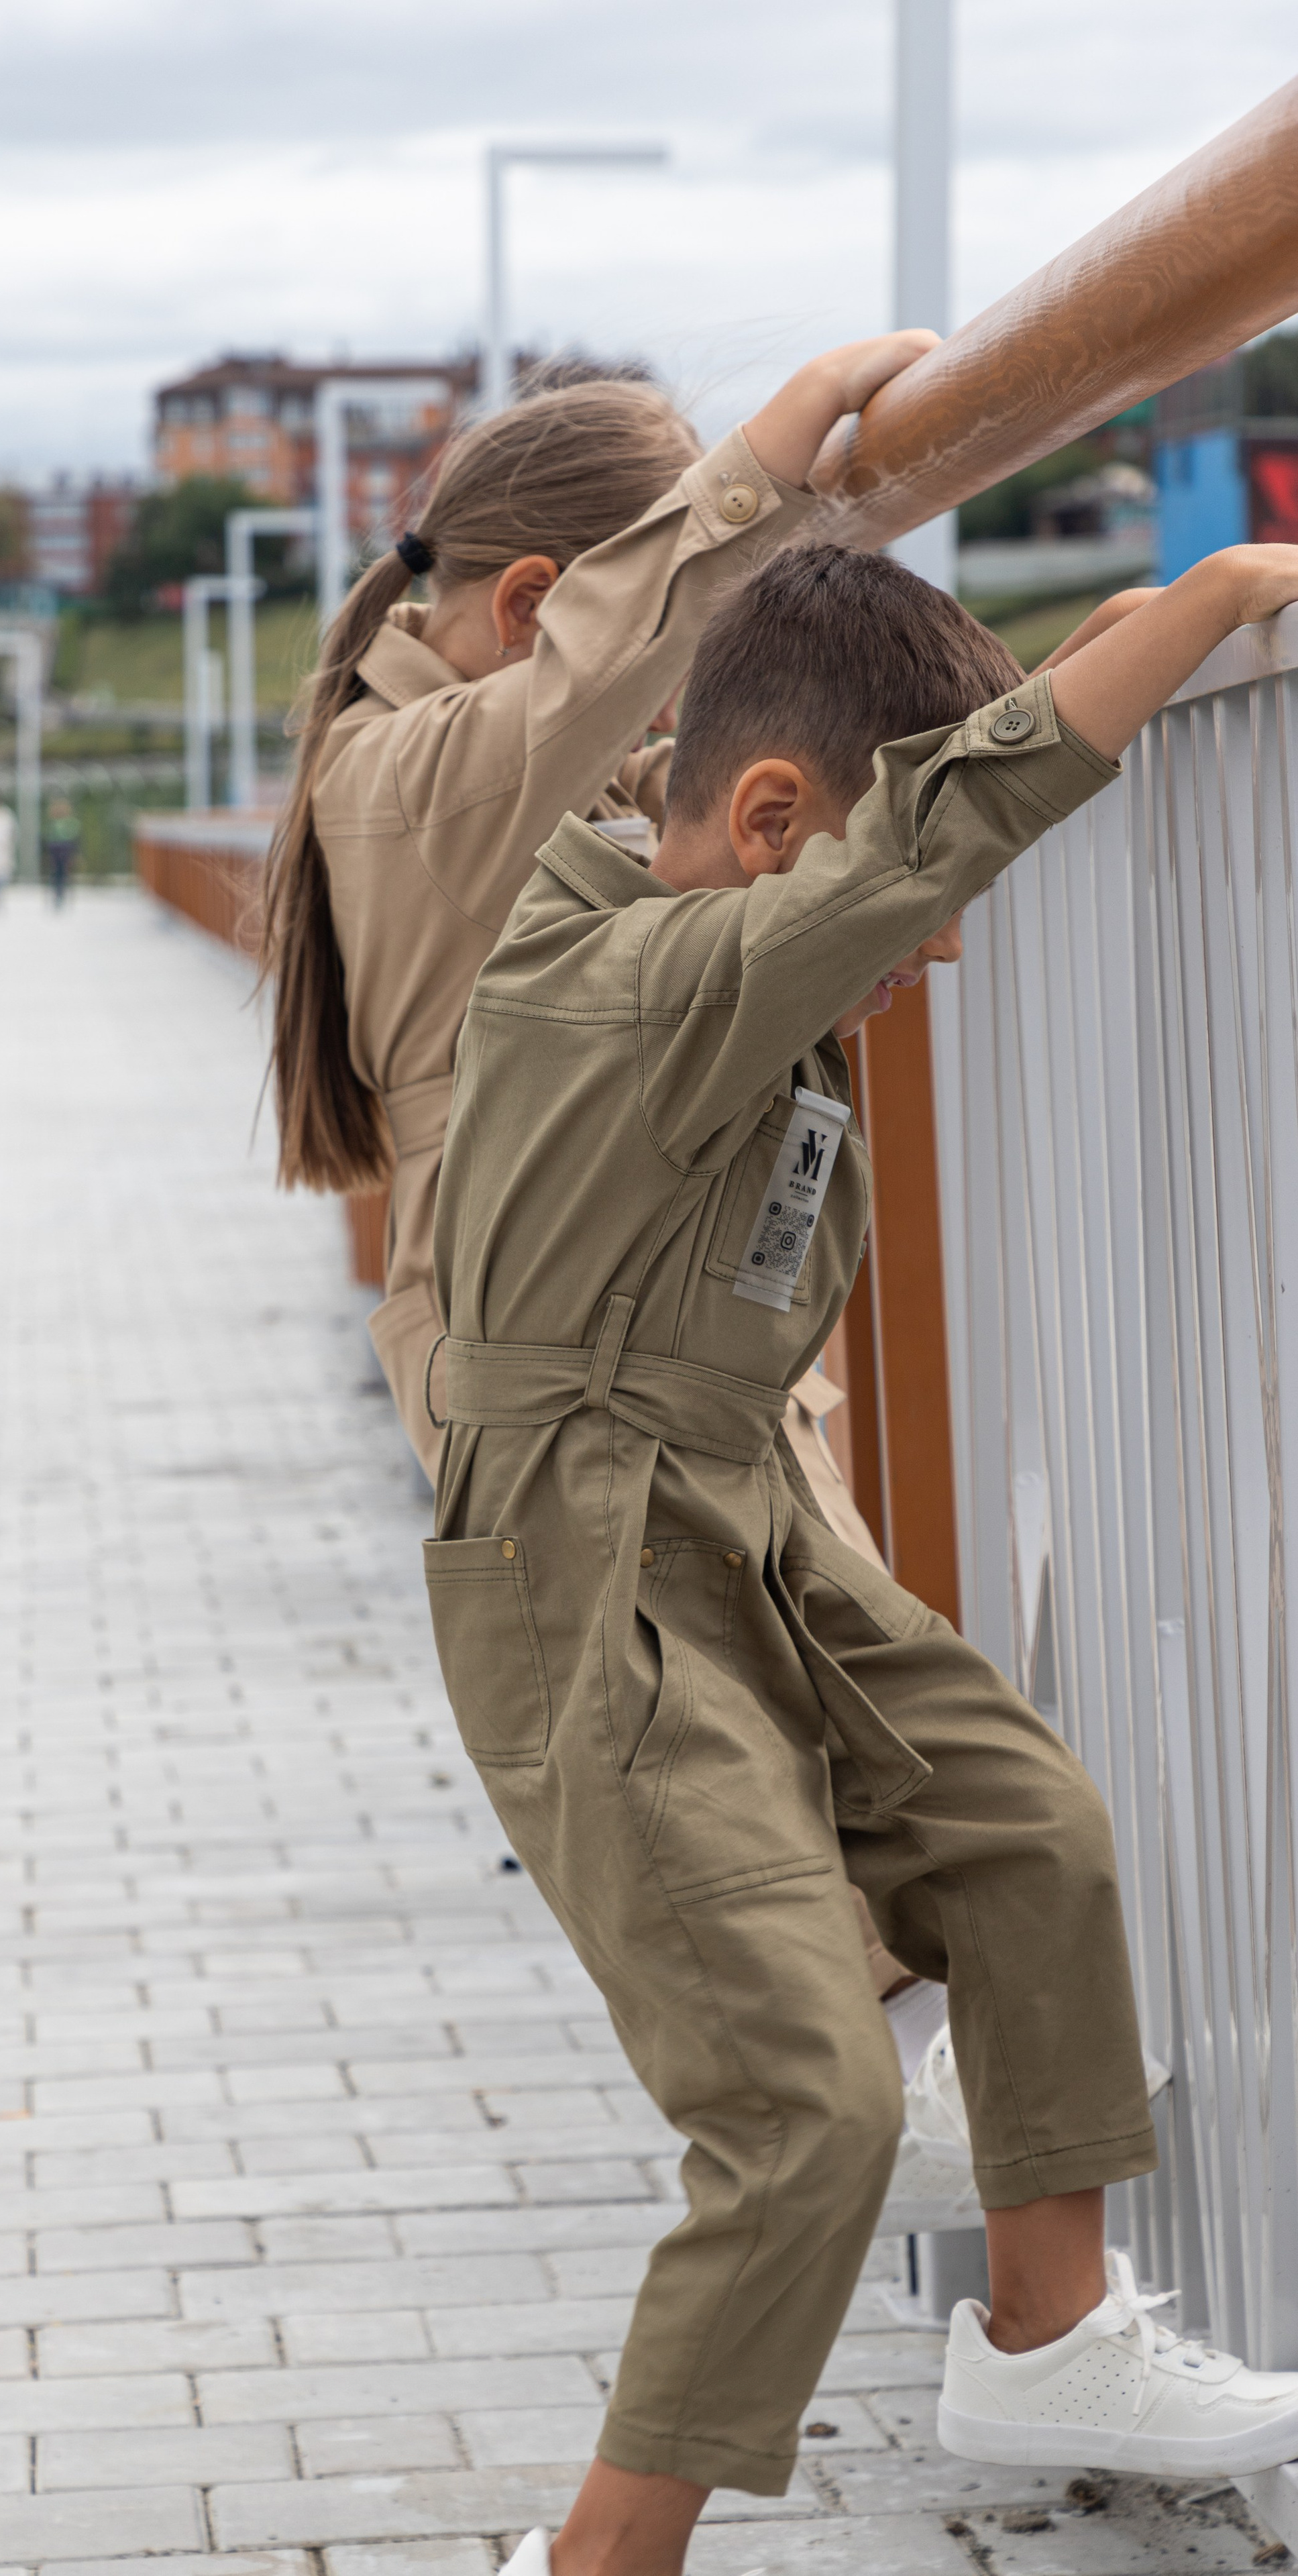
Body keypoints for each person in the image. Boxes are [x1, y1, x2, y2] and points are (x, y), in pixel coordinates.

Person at [422, 537, 1298, 2576]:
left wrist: (1110, 657)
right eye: (904, 925)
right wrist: (1227, 580)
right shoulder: (636, 985)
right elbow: (933, 831)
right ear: (766, 824)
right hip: (583, 1573)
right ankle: (600, 2559)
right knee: (805, 2106)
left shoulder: (690, 922)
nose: (924, 964)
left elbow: (923, 807)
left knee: (1019, 1821)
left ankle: (1049, 2330)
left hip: (728, 1504)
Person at [260, 335, 938, 1489]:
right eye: (677, 657)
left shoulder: (452, 771)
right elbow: (605, 663)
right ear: (533, 607)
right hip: (565, 1347)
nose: (675, 701)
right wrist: (761, 471)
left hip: (594, 1317)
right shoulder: (433, 776)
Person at [43, 797, 80, 906]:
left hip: (65, 850)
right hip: (55, 851)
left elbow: (75, 839)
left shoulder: (71, 823)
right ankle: (57, 895)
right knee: (56, 874)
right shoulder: (53, 824)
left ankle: (63, 895)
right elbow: (47, 840)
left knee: (64, 874)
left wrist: (76, 854)